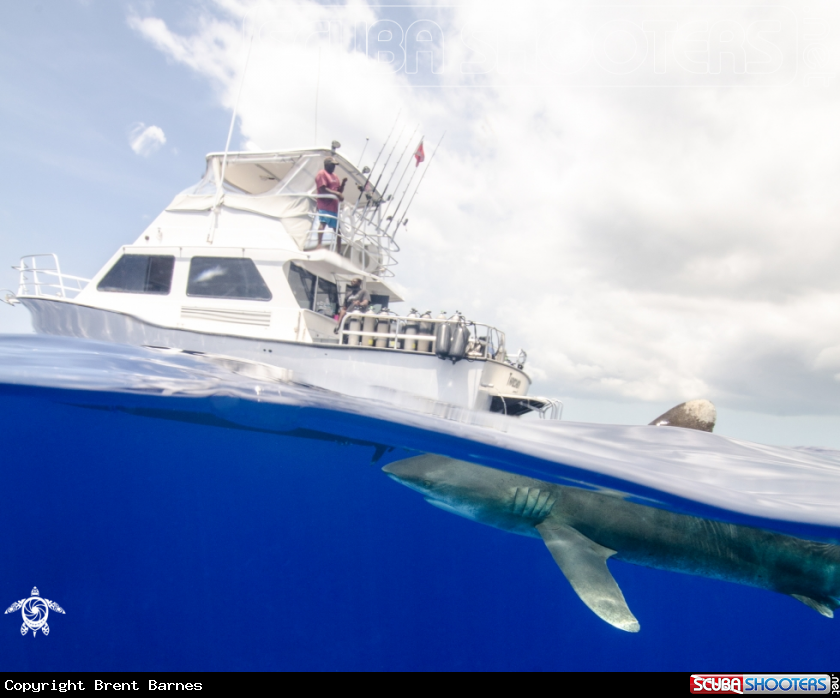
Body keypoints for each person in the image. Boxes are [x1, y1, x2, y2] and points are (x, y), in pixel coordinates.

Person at [315, 157, 348, 252]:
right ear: (327, 164)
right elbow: (322, 189)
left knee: (337, 229)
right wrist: (337, 194)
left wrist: (343, 184)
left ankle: (339, 251)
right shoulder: (322, 174)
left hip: (334, 207)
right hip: (324, 204)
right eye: (332, 164)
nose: (334, 167)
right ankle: (319, 244)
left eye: (335, 165)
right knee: (323, 223)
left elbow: (339, 191)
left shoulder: (335, 176)